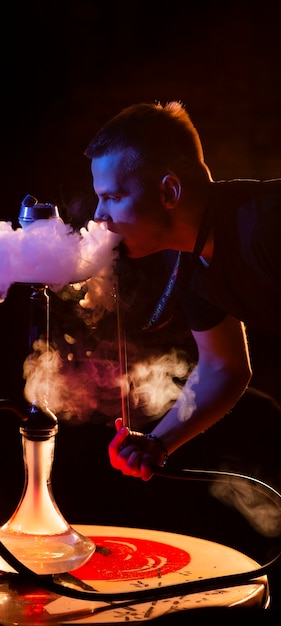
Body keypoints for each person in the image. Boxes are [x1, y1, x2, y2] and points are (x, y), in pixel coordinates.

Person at [84, 101, 281, 481]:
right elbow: (223, 368)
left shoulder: (269, 229)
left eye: (112, 197)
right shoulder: (184, 256)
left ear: (169, 192)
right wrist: (158, 442)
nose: (98, 216)